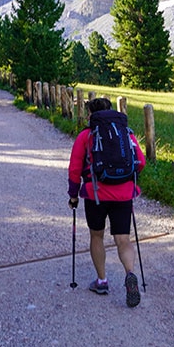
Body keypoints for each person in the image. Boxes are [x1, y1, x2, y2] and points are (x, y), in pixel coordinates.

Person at [67, 97, 146, 308]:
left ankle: (102, 281)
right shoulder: (126, 133)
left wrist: (73, 195)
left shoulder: (86, 135)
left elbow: (75, 169)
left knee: (96, 235)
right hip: (123, 194)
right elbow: (141, 161)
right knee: (123, 239)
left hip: (96, 195)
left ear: (90, 114)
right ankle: (130, 273)